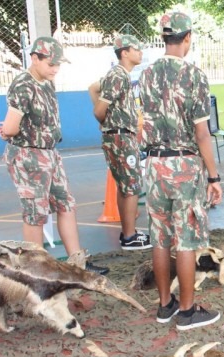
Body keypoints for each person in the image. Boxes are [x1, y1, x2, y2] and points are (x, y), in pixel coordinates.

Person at [0, 36, 108, 275]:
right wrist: (6, 132)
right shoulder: (22, 85)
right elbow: (12, 127)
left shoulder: (46, 82)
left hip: (49, 154)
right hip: (29, 156)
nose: (55, 69)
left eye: (58, 64)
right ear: (34, 58)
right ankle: (35, 270)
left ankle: (77, 263)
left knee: (66, 204)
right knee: (35, 214)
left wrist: (8, 130)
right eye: (50, 64)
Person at [140, 12, 222, 330]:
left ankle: (165, 306)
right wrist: (214, 176)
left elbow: (143, 123)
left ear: (164, 37)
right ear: (187, 37)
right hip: (184, 165)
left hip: (155, 164)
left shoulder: (146, 74)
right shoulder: (194, 75)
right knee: (186, 239)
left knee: (160, 238)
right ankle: (187, 312)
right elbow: (202, 133)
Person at [88, 35, 151, 251]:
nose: (140, 52)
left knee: (125, 186)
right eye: (137, 48)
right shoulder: (119, 75)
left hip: (118, 135)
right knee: (132, 185)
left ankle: (128, 233)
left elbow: (92, 88)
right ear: (124, 52)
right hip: (121, 137)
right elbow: (98, 110)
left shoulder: (117, 75)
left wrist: (108, 125)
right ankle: (130, 236)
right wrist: (105, 122)